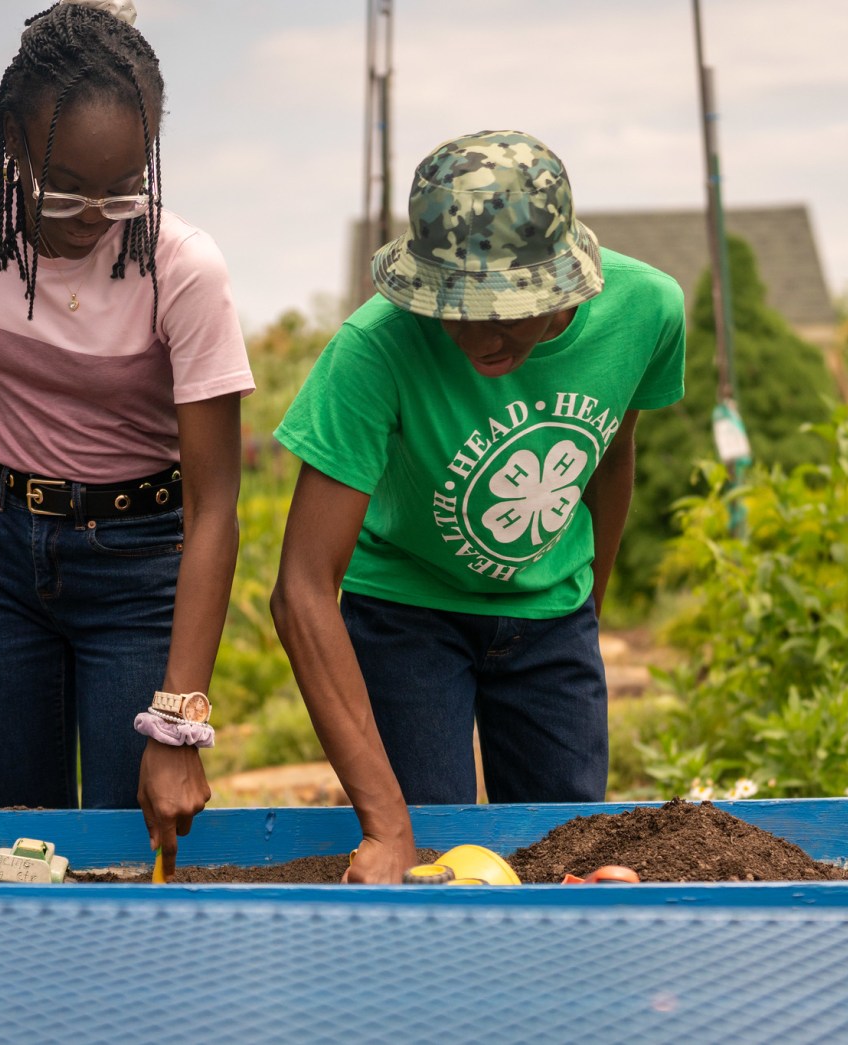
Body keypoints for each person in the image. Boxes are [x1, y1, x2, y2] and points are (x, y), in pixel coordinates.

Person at [0, 0, 253, 872]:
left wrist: (180, 721)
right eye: (63, 188)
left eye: (123, 187)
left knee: (126, 857)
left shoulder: (183, 269)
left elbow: (216, 507)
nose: (96, 216)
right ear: (7, 142)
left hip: (138, 564)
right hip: (0, 552)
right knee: (22, 846)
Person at [269, 130, 686, 883]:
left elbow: (611, 448)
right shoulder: (375, 349)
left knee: (569, 861)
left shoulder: (647, 311)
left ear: (562, 283)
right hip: (407, 614)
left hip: (550, 615)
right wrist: (387, 825)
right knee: (429, 863)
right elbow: (300, 589)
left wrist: (588, 599)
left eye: (503, 309)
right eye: (454, 305)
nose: (475, 333)